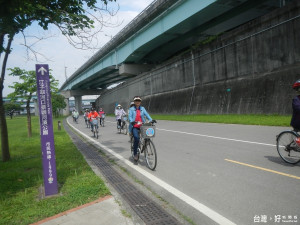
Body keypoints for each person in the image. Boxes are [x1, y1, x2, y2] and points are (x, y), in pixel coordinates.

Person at [129, 96, 155, 161]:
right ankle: (135, 154)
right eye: (136, 101)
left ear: (140, 102)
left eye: (139, 101)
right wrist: (132, 122)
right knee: (136, 138)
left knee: (147, 136)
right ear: (134, 102)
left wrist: (151, 120)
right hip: (134, 126)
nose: (137, 102)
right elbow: (130, 117)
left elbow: (147, 115)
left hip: (142, 125)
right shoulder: (131, 109)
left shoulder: (142, 108)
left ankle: (145, 146)